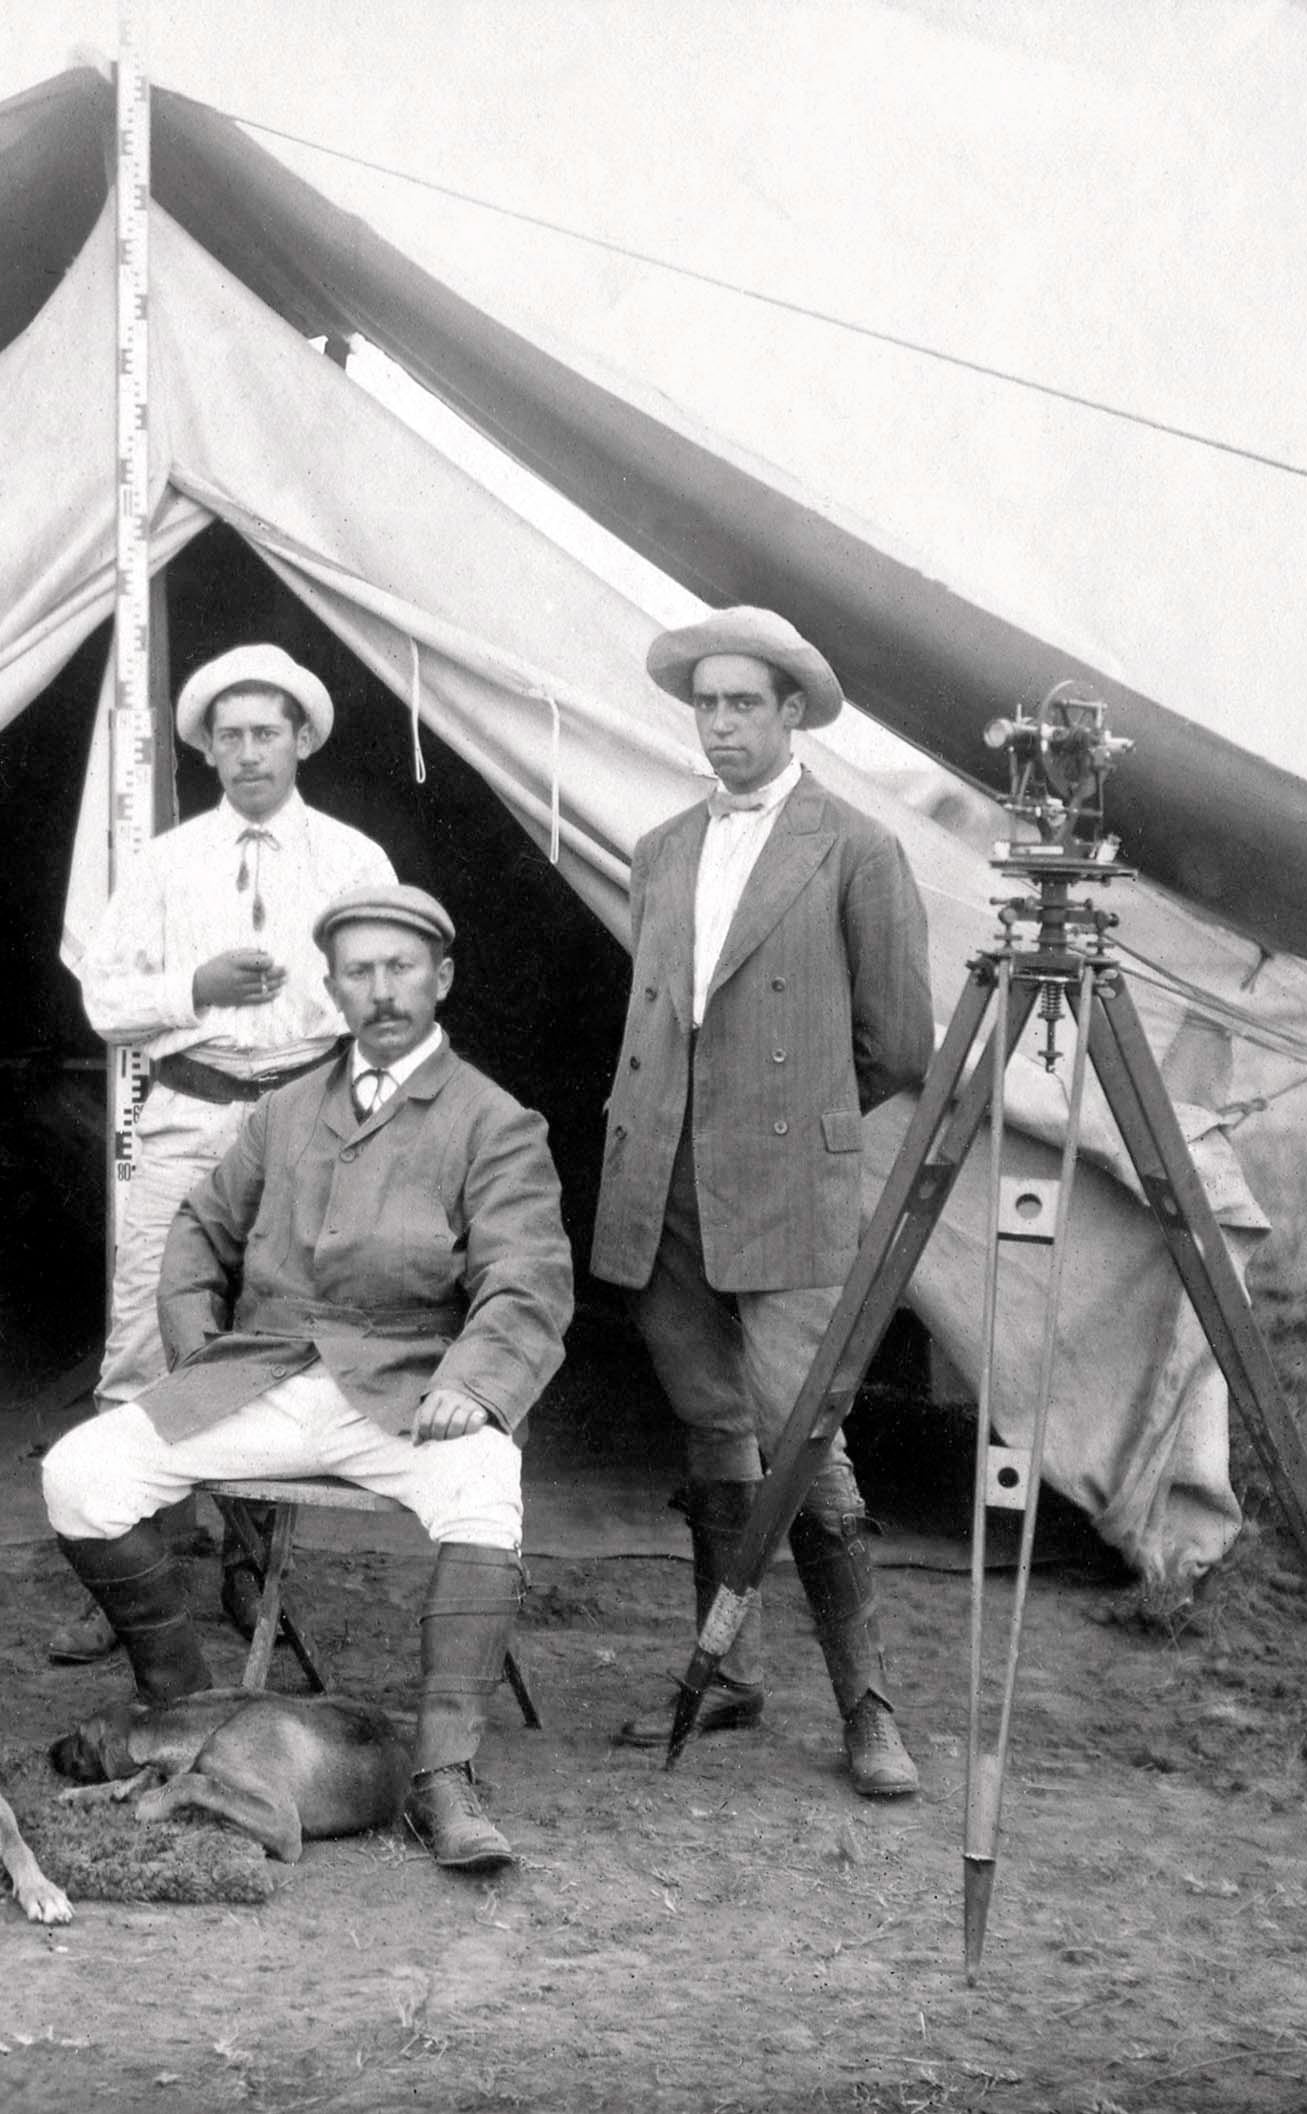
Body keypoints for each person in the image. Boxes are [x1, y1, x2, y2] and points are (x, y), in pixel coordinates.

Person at [41, 884, 574, 1872]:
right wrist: (199, 1341)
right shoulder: (284, 1111)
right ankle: (182, 1705)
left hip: (408, 1382)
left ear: (441, 976)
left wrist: (477, 1381)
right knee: (80, 1473)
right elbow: (198, 1227)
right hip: (269, 1372)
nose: (380, 991)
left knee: (484, 1486)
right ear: (331, 987)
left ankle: (442, 1776)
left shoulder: (493, 1121)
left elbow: (526, 1278)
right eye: (359, 971)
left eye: (400, 967)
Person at [592, 606, 935, 1800]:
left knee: (803, 1430)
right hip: (664, 1177)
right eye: (706, 703)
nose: (721, 723)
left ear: (792, 713)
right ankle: (724, 1670)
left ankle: (868, 1703)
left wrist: (784, 1117)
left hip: (788, 1178)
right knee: (710, 1423)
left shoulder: (854, 848)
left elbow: (895, 1042)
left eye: (744, 703)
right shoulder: (657, 848)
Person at [60, 644, 395, 1661]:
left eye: (267, 732)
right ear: (205, 749)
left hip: (304, 1115)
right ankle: (133, 1575)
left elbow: (393, 997)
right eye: (230, 735)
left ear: (300, 741)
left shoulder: (351, 859)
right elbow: (104, 1000)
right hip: (188, 1113)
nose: (249, 752)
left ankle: (251, 1560)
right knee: (145, 1333)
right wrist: (193, 987)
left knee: (283, 1323)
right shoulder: (163, 863)